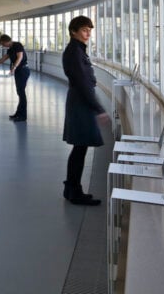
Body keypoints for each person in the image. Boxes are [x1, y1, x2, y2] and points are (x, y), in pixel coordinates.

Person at [61, 16, 110, 206]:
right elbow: (82, 83)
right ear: (73, 31)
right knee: (80, 148)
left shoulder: (77, 50)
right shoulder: (74, 51)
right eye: (84, 30)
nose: (88, 33)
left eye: (90, 30)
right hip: (81, 103)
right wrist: (98, 108)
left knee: (80, 149)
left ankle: (72, 188)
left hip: (80, 101)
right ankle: (74, 191)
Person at [0, 34, 30, 122]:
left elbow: (20, 57)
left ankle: (23, 116)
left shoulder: (17, 45)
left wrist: (14, 67)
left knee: (21, 93)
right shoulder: (10, 49)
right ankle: (18, 113)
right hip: (19, 71)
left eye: (3, 44)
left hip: (23, 70)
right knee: (19, 92)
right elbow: (3, 59)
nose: (3, 46)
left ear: (7, 41)